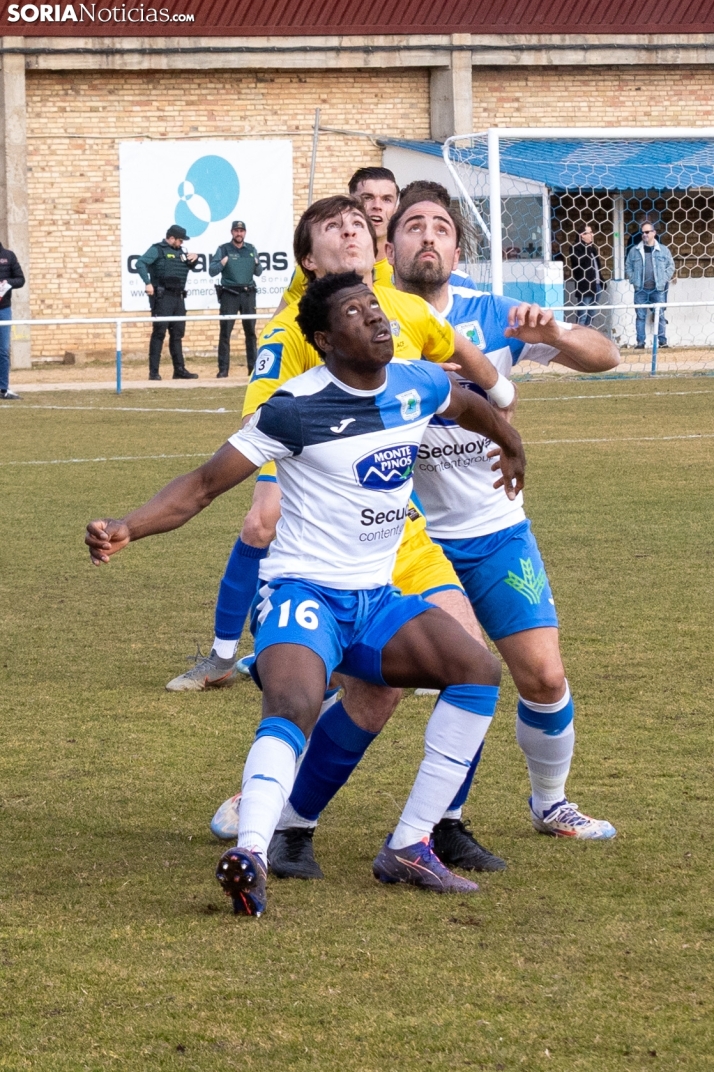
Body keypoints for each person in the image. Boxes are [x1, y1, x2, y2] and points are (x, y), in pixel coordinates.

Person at [85, 271, 526, 917]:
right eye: (355, 312)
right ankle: (254, 856)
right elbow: (203, 485)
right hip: (303, 593)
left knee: (477, 672)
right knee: (290, 703)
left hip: (376, 598)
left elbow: (468, 401)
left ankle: (410, 846)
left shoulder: (417, 382)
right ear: (324, 338)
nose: (376, 319)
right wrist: (128, 526)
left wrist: (511, 445)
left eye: (375, 307)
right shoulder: (294, 407)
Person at [228, 188, 619, 875]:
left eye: (442, 226)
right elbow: (269, 431)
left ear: (457, 249)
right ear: (391, 246)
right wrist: (267, 494)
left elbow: (523, 384)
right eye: (411, 224)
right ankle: (284, 816)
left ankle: (467, 819)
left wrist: (535, 349)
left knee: (523, 672)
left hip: (486, 530)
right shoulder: (319, 322)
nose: (427, 237)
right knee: (380, 685)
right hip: (385, 536)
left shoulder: (474, 312)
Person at [165, 195, 513, 694]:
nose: (352, 231)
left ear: (378, 247)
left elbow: (460, 350)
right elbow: (255, 422)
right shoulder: (292, 328)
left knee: (463, 664)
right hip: (306, 461)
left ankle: (326, 655)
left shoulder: (407, 309)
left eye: (360, 223)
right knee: (262, 518)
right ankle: (226, 656)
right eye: (335, 226)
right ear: (309, 259)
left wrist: (503, 395)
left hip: (384, 488)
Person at [135, 224, 199, 381]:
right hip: (163, 297)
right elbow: (140, 263)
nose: (182, 243)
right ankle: (154, 372)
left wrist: (194, 259)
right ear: (171, 238)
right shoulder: (157, 249)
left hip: (178, 298)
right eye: (180, 240)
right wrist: (147, 282)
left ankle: (179, 370)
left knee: (177, 335)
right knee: (159, 333)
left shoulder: (181, 252)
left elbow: (187, 268)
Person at [209, 220, 263, 377]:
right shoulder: (223, 249)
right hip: (229, 295)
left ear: (245, 232)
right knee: (225, 333)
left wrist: (257, 263)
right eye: (236, 231)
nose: (239, 234)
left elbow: (258, 272)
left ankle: (252, 369)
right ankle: (223, 370)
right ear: (232, 232)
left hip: (248, 294)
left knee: (250, 333)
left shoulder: (251, 249)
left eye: (241, 231)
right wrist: (222, 263)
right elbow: (212, 271)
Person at [625, 221, 675, 350]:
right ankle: (640, 343)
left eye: (647, 232)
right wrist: (634, 280)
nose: (644, 235)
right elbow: (628, 266)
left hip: (658, 289)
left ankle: (662, 342)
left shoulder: (663, 250)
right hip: (640, 290)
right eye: (642, 232)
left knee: (660, 316)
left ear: (654, 233)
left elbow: (671, 266)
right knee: (640, 316)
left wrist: (663, 280)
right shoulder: (634, 251)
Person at [0, 239, 26, 401]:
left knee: (2, 350)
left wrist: (7, 282)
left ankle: (3, 388)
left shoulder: (8, 256)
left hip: (3, 309)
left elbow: (20, 279)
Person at [569, 222, 604, 326]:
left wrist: (602, 281)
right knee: (582, 315)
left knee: (592, 314)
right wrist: (587, 247)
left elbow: (597, 266)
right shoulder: (575, 248)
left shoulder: (593, 248)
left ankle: (588, 336)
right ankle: (578, 338)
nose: (592, 235)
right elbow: (580, 263)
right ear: (582, 235)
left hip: (596, 285)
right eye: (589, 233)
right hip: (585, 287)